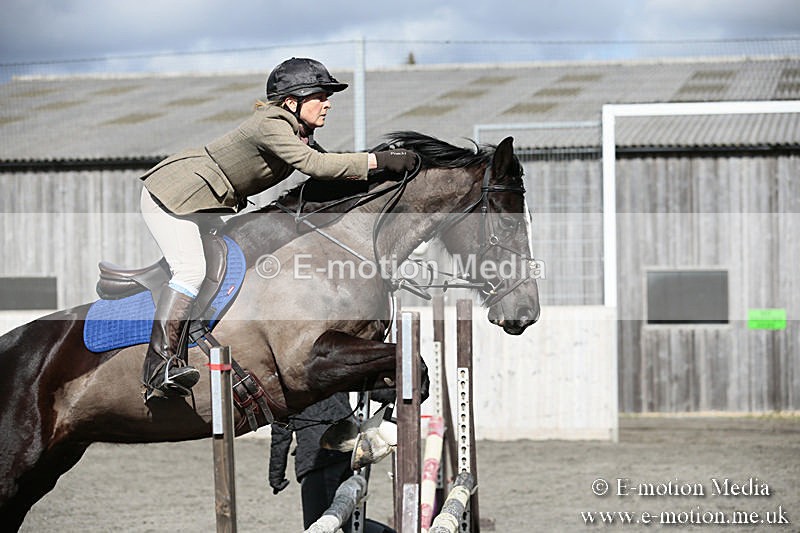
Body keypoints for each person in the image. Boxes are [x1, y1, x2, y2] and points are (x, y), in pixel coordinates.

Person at [137, 57, 418, 400]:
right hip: (172, 194)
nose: (327, 104)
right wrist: (378, 160)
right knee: (191, 269)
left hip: (204, 203)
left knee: (214, 271)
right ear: (292, 102)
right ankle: (159, 364)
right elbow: (316, 166)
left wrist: (381, 170)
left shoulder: (296, 131)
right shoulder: (271, 124)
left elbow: (330, 169)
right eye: (320, 96)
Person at [269, 393, 395, 533]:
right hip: (350, 451)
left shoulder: (286, 386)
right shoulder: (333, 372)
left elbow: (281, 432)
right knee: (351, 522)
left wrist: (276, 475)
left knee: (317, 524)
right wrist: (387, 398)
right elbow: (366, 383)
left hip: (318, 459)